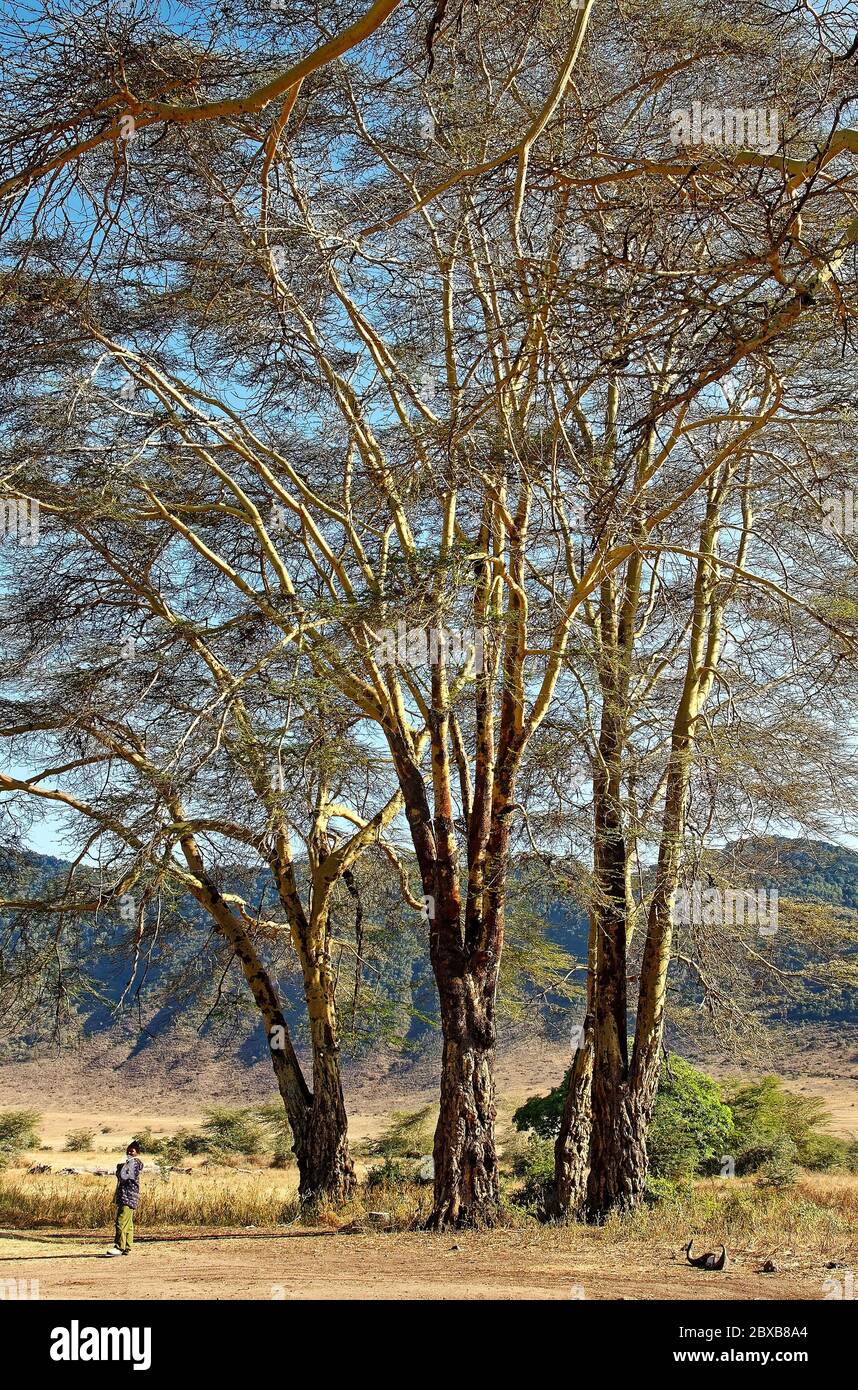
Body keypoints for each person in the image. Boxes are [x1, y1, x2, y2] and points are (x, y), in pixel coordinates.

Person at [105, 1143, 144, 1257]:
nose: (129, 1153)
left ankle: (119, 1246)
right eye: (128, 1151)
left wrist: (119, 1169)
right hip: (129, 1196)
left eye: (132, 1151)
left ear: (137, 1152)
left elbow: (124, 1177)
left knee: (121, 1221)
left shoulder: (133, 1163)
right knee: (128, 1223)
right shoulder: (132, 1163)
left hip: (127, 1196)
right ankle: (127, 1246)